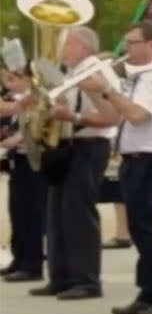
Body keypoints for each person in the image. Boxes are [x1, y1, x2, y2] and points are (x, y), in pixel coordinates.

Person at [88, 21, 152, 314]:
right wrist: (95, 90)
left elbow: (137, 115)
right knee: (140, 227)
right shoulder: (139, 77)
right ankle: (149, 291)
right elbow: (115, 114)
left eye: (132, 42)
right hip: (134, 159)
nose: (126, 48)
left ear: (151, 45)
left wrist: (107, 87)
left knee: (145, 228)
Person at [24, 27, 115, 299]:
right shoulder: (73, 73)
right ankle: (61, 276)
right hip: (67, 147)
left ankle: (86, 279)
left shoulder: (97, 73)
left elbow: (110, 118)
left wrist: (71, 116)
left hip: (89, 146)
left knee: (78, 215)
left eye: (67, 45)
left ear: (83, 46)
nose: (63, 51)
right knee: (58, 214)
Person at [1, 69, 50, 284]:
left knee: (32, 213)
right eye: (7, 80)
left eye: (14, 79)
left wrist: (19, 136)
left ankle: (32, 263)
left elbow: (39, 122)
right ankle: (18, 258)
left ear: (29, 79)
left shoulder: (38, 98)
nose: (9, 85)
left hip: (34, 159)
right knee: (17, 211)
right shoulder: (14, 100)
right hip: (16, 160)